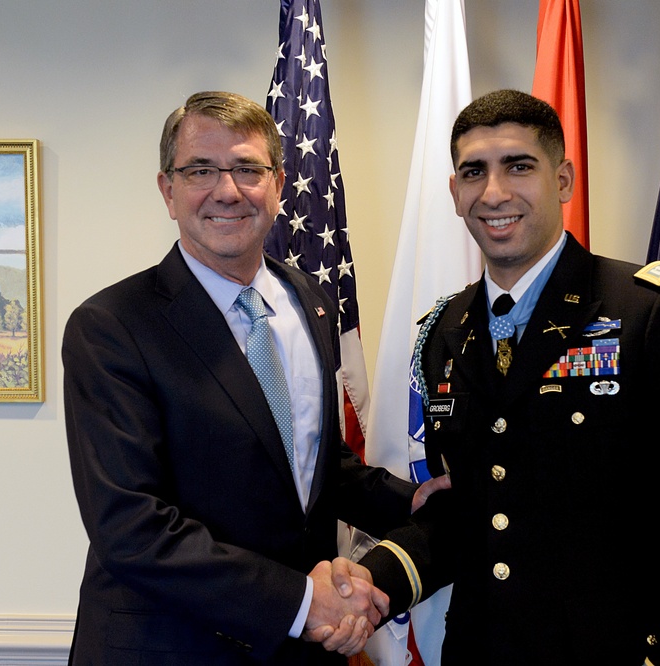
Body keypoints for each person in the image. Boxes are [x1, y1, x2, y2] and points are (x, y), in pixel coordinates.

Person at [354, 89, 660, 665]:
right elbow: (474, 509)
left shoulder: (650, 310)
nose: (494, 193)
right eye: (474, 172)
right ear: (454, 193)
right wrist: (370, 581)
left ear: (564, 180)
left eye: (519, 166)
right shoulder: (446, 330)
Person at [62, 90, 445, 665]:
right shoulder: (111, 326)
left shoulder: (310, 301)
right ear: (168, 191)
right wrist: (299, 601)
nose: (227, 190)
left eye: (248, 169)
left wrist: (409, 498)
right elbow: (130, 526)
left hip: (301, 651)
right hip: (169, 649)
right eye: (200, 170)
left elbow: (308, 460)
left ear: (279, 183)